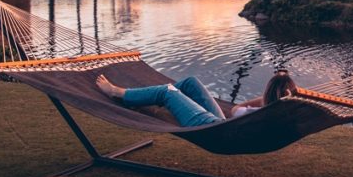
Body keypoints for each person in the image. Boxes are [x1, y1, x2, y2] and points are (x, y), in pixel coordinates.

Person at [95, 69, 297, 127]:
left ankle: (117, 92)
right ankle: (144, 98)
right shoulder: (285, 114)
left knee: (167, 91)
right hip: (222, 126)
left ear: (268, 92)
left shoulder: (259, 111)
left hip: (215, 130)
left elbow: (235, 110)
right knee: (191, 82)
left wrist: (263, 100)